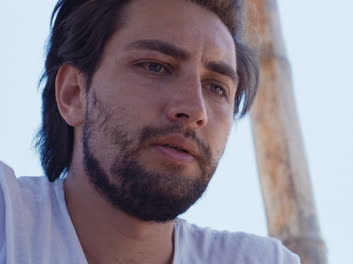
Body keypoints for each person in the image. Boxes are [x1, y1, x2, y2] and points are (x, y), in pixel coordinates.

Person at [0, 0, 301, 263]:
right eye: (156, 67)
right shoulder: (9, 224)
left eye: (216, 87)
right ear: (74, 93)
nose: (195, 110)